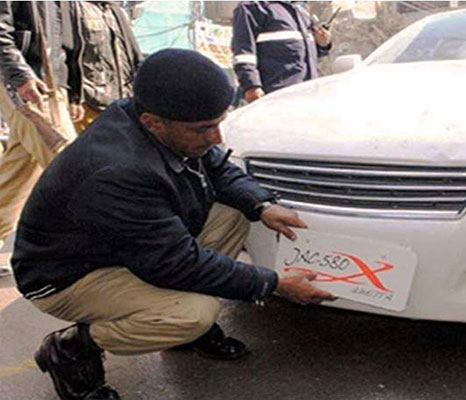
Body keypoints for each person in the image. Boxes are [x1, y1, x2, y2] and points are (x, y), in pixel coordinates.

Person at [12, 49, 335, 400]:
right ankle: (72, 348)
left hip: (130, 250)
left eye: (219, 122)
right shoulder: (116, 171)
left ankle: (180, 330)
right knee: (193, 315)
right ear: (153, 122)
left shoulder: (161, 120)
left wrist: (261, 205)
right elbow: (175, 263)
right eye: (204, 128)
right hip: (67, 276)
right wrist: (273, 284)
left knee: (236, 211)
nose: (216, 137)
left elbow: (218, 167)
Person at [0, 2, 85, 277]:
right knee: (69, 163)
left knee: (20, 168)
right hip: (22, 79)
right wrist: (20, 76)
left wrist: (73, 93)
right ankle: (97, 247)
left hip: (52, 81)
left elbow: (67, 43)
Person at [232, 1, 332, 104]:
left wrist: (322, 44)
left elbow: (300, 55)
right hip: (275, 98)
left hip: (308, 95)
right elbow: (243, 54)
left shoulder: (301, 12)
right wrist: (252, 86)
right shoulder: (252, 7)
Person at [74, 1, 143, 133]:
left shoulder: (115, 11)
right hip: (88, 104)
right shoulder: (74, 7)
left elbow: (134, 59)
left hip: (121, 107)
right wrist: (75, 99)